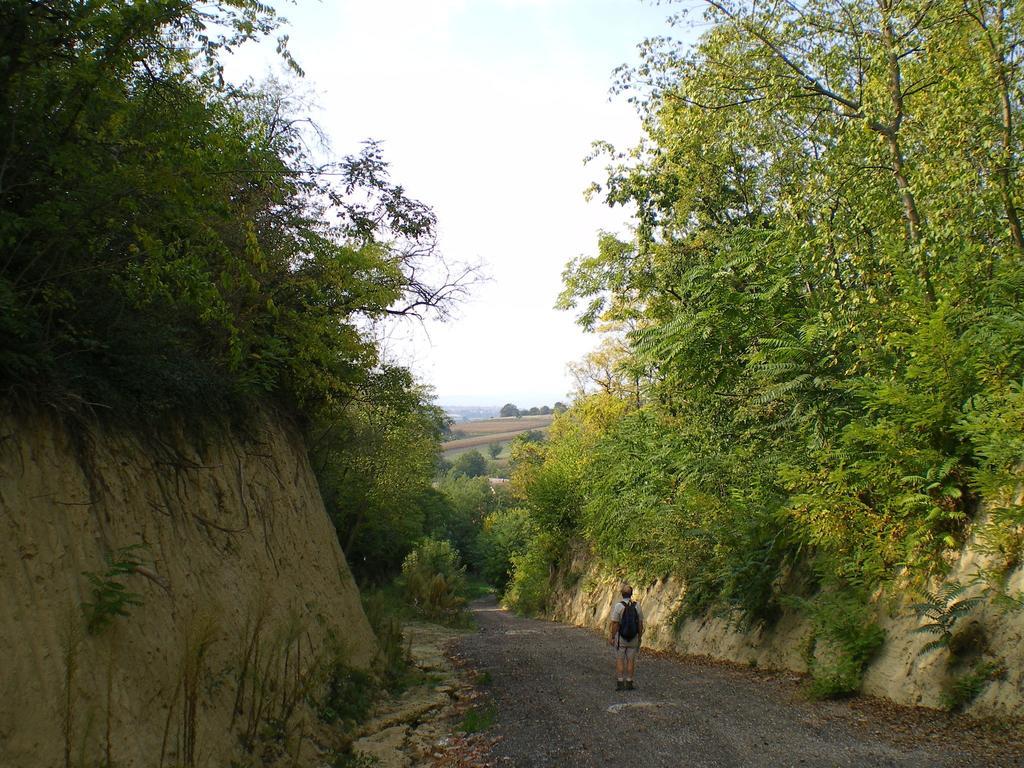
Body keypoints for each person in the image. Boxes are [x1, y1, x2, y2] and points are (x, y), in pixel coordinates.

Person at [608, 583, 644, 691]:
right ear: (632, 594)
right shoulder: (637, 606)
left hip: (621, 638)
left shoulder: (619, 606)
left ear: (622, 594)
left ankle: (620, 682)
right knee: (630, 660)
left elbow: (615, 623)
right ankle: (629, 682)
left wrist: (613, 636)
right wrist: (639, 636)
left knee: (620, 659)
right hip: (633, 637)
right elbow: (640, 624)